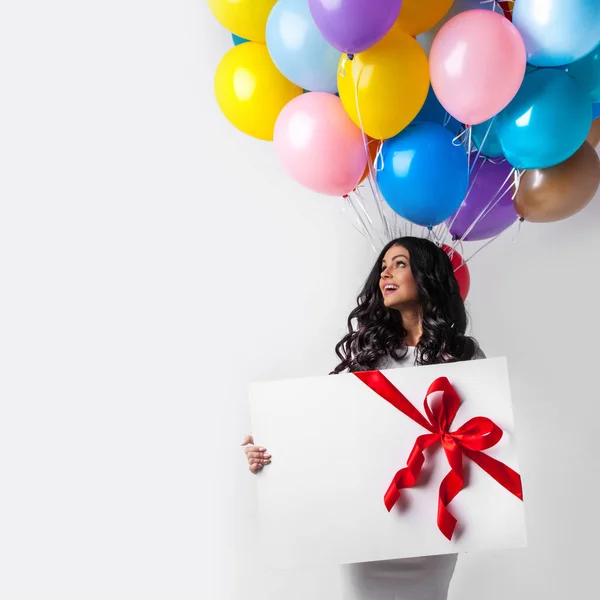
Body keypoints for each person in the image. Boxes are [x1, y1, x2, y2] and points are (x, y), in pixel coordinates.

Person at [241, 236, 485, 599]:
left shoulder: (464, 355)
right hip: (367, 528)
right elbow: (325, 432)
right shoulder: (367, 357)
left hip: (432, 527)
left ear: (427, 275)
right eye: (383, 266)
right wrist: (269, 451)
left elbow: (484, 437)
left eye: (399, 263)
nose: (385, 272)